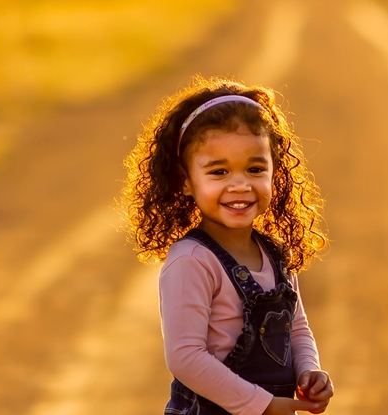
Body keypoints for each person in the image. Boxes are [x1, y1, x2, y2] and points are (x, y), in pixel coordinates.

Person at [122, 77, 333, 415]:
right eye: (218, 172)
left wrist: (309, 371)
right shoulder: (192, 260)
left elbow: (297, 328)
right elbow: (185, 358)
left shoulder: (275, 254)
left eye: (254, 169)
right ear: (186, 181)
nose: (239, 185)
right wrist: (261, 405)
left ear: (274, 173)